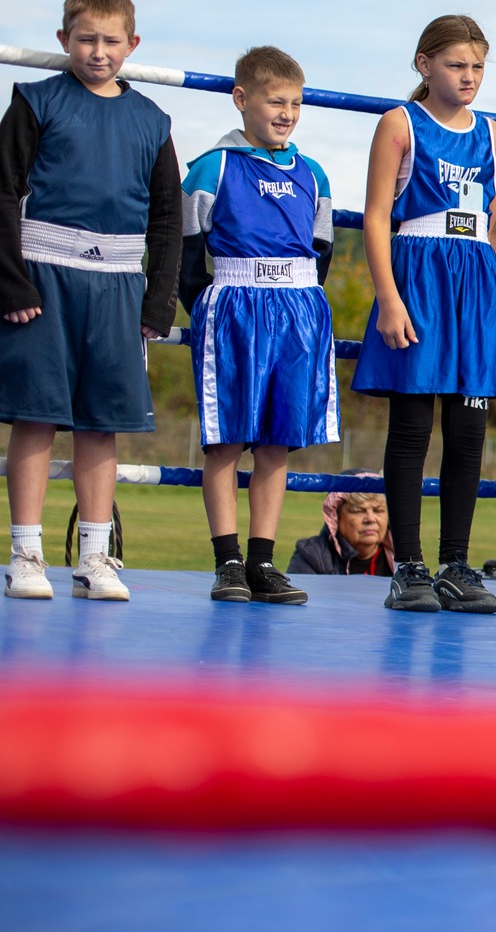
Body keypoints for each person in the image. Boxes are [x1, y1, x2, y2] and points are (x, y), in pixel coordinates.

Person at [1, 0, 179, 603]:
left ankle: (96, 559)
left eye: (111, 40)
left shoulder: (153, 121)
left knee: (101, 424)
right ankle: (26, 553)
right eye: (86, 38)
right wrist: (10, 277)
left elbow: (165, 217)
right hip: (42, 280)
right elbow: (1, 191)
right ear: (63, 40)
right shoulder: (36, 100)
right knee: (36, 415)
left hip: (118, 289)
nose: (98, 51)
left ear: (132, 44)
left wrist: (160, 298)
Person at [351, 15, 496, 616]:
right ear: (424, 65)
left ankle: (455, 563)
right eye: (456, 65)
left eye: (477, 66)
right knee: (413, 426)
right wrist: (389, 298)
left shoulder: (495, 135)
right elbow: (374, 216)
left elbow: (494, 226)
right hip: (418, 275)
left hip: (475, 285)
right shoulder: (400, 124)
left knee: (470, 433)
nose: (469, 77)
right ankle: (410, 566)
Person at [180, 45, 340, 608]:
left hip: (296, 309)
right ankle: (227, 560)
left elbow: (322, 252)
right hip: (234, 308)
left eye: (296, 103)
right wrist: (203, 309)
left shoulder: (313, 173)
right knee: (226, 441)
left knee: (276, 444)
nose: (288, 113)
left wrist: (299, 301)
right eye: (276, 101)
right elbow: (187, 253)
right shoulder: (212, 166)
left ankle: (262, 561)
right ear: (242, 99)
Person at [289, 492, 395, 576]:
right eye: (358, 511)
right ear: (335, 518)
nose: (370, 519)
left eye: (378, 510)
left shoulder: (405, 557)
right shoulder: (313, 555)